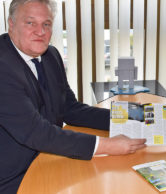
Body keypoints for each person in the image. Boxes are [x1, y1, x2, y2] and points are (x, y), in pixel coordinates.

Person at [0, 0, 146, 193]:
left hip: (51, 159)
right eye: (30, 23)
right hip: (14, 176)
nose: (40, 31)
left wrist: (131, 116)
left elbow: (69, 108)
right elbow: (35, 131)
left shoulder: (51, 55)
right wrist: (107, 145)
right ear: (11, 24)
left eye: (46, 24)